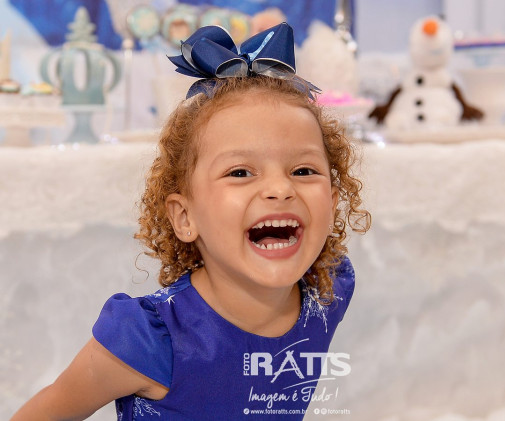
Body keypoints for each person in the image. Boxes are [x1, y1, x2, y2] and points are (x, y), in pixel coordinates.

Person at [11, 22, 370, 420]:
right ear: (185, 216)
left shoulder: (328, 292)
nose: (280, 189)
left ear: (332, 202)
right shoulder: (149, 340)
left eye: (303, 171)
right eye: (240, 172)